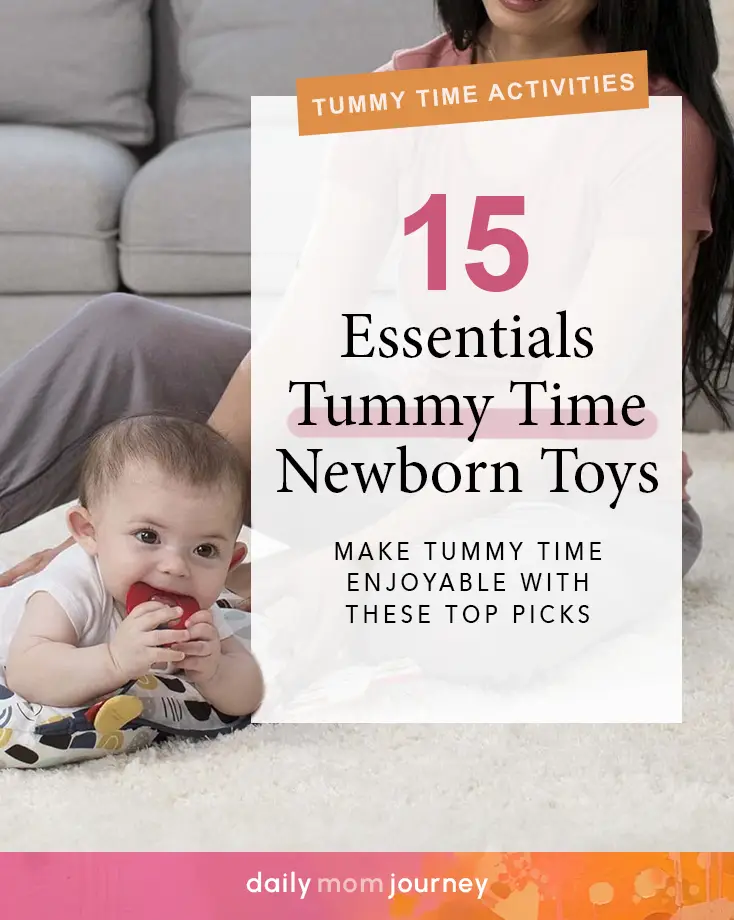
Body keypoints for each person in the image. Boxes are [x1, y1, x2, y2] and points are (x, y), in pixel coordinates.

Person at [0, 0, 732, 598]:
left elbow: (574, 406)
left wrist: (335, 570)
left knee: (471, 631)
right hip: (401, 460)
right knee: (124, 332)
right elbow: (303, 339)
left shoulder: (655, 130)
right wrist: (191, 542)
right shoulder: (403, 91)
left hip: (573, 494)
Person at [0, 414, 263, 720]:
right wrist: (113, 661)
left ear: (230, 563)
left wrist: (216, 671)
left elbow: (250, 692)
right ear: (88, 531)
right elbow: (25, 672)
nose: (175, 566)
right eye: (148, 536)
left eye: (205, 550)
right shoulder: (72, 585)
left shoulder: (195, 614)